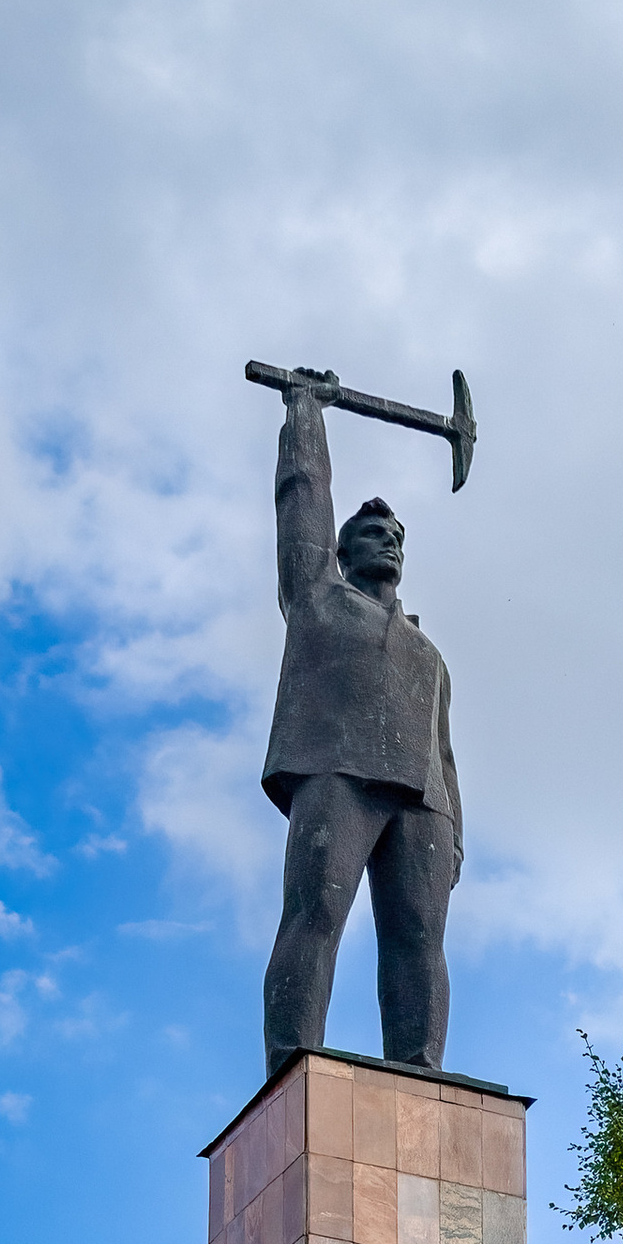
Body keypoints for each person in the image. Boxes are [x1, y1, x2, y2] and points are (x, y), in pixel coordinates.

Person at [258, 371, 463, 1075]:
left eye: (396, 534)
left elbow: (447, 751)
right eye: (372, 532)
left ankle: (422, 1071)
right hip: (339, 767)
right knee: (315, 914)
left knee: (419, 942)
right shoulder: (316, 594)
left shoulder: (427, 652)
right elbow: (303, 503)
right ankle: (291, 1066)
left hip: (423, 796)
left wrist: (455, 831)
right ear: (343, 553)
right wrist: (305, 415)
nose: (388, 541)